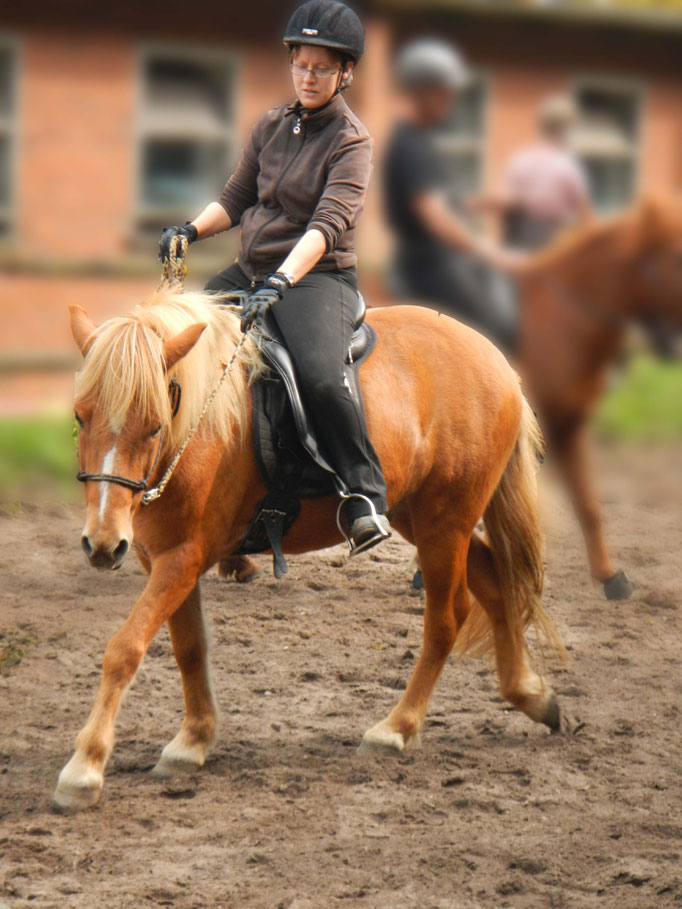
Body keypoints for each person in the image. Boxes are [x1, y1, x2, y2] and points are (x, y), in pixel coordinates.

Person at [158, 0, 390, 555]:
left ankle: (364, 494)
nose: (308, 77)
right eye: (300, 65)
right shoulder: (271, 124)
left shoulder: (352, 142)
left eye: (322, 68)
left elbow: (327, 224)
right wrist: (189, 229)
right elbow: (237, 199)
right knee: (177, 348)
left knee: (318, 376)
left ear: (346, 73)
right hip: (252, 269)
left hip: (315, 279)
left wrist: (282, 281)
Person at [383, 39, 521, 351]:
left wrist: (484, 203)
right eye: (444, 92)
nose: (450, 100)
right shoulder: (410, 146)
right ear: (421, 91)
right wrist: (485, 250)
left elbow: (444, 202)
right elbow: (435, 218)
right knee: (491, 329)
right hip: (427, 263)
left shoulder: (420, 141)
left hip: (438, 257)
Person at [480, 94, 592, 250]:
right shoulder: (568, 167)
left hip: (514, 244)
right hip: (550, 250)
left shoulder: (520, 159)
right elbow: (585, 220)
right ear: (567, 130)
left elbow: (504, 205)